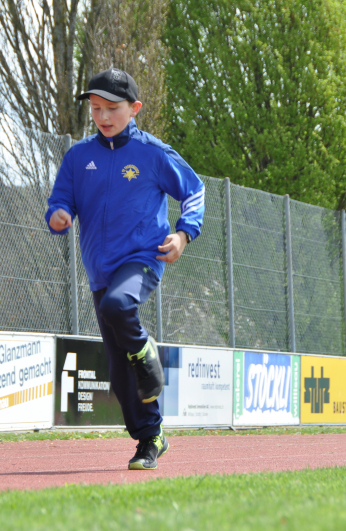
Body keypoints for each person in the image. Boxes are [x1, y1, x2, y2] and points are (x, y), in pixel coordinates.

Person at [46, 68, 205, 469]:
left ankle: (145, 349)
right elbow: (60, 200)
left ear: (134, 109)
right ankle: (150, 438)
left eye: (112, 108)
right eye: (96, 108)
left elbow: (194, 191)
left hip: (143, 259)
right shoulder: (78, 157)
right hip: (99, 270)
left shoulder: (153, 154)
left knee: (118, 304)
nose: (102, 116)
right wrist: (59, 215)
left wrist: (183, 234)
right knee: (119, 371)